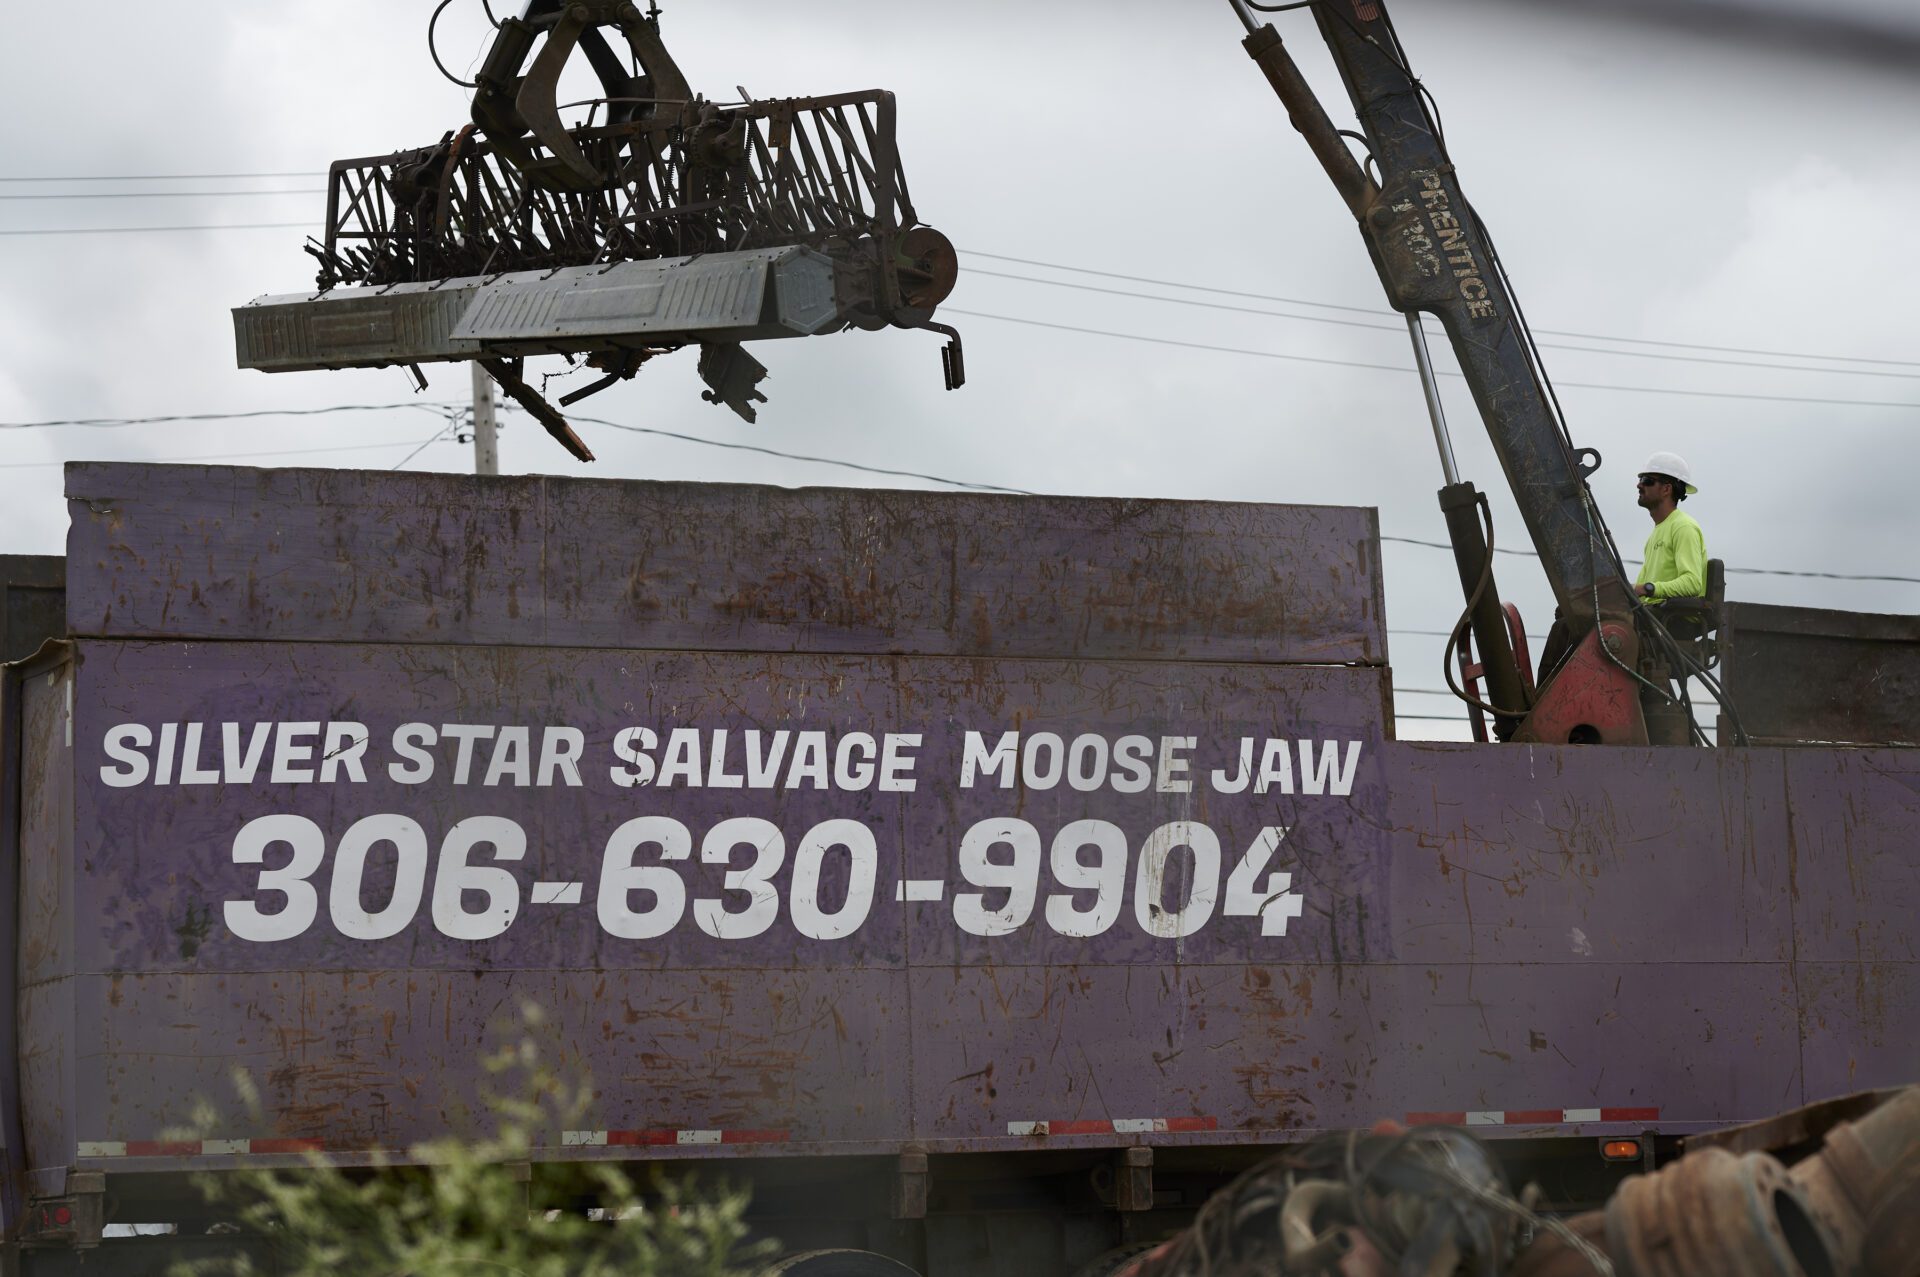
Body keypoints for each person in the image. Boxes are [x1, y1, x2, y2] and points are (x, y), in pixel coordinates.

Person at [1634, 451, 1706, 602]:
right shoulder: (1655, 535)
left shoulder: (1683, 527)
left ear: (1666, 489)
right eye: (1641, 479)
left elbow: (1692, 583)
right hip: (1654, 614)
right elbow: (1636, 594)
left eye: (1647, 480)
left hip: (1675, 616)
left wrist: (1647, 589)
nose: (1639, 485)